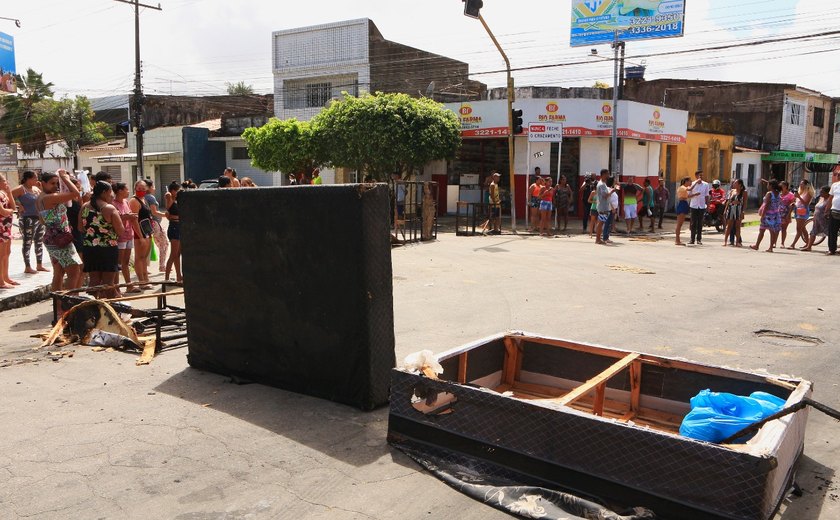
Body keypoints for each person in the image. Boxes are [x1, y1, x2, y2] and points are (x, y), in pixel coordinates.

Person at [36, 170, 83, 292]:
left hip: (51, 238)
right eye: (52, 183)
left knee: (59, 273)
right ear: (42, 183)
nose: (56, 186)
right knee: (74, 271)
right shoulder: (50, 198)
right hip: (61, 239)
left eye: (57, 183)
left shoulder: (40, 198)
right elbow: (75, 193)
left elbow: (42, 221)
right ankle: (68, 304)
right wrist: (65, 178)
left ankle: (58, 306)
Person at [80, 181, 124, 298]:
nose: (112, 195)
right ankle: (111, 310)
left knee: (93, 281)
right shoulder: (109, 208)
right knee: (108, 283)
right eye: (110, 193)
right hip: (108, 249)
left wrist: (94, 232)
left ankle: (93, 309)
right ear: (104, 192)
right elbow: (120, 231)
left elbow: (80, 227)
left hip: (90, 248)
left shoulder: (84, 206)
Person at [11, 171, 49, 274]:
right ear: (28, 179)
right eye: (35, 178)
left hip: (39, 218)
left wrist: (41, 188)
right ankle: (27, 266)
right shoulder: (21, 189)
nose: (37, 180)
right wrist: (18, 204)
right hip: (27, 219)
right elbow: (9, 195)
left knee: (39, 242)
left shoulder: (36, 189)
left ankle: (39, 265)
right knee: (27, 242)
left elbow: (43, 198)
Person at [113, 182, 140, 294]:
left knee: (126, 262)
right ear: (120, 191)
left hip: (129, 234)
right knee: (117, 263)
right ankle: (116, 288)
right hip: (120, 237)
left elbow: (130, 216)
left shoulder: (125, 202)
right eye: (126, 189)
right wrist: (128, 217)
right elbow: (116, 218)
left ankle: (129, 285)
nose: (128, 191)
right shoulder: (113, 204)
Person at [128, 180, 153, 289]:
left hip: (147, 231)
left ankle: (145, 279)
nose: (142, 191)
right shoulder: (134, 201)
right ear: (135, 188)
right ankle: (141, 281)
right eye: (139, 188)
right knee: (139, 257)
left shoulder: (144, 200)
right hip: (140, 233)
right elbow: (134, 220)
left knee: (144, 257)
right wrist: (141, 236)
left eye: (144, 189)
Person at [143, 179, 169, 273]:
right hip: (154, 223)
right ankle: (162, 266)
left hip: (145, 224)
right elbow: (154, 212)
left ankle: (144, 268)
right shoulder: (150, 197)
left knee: (147, 246)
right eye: (153, 186)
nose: (154, 188)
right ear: (149, 187)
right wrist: (166, 215)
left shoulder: (141, 197)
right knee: (164, 244)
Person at [751, 179, 782, 252]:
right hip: (775, 214)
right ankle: (769, 247)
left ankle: (758, 245)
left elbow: (766, 205)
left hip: (768, 215)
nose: (767, 186)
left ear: (771, 186)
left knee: (762, 230)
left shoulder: (769, 194)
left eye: (768, 185)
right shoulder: (778, 193)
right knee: (772, 231)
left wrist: (762, 215)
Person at [0, 174, 17, 288]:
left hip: (6, 228)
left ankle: (6, 277)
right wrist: (10, 211)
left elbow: (14, 207)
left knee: (7, 253)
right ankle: (1, 281)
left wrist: (9, 192)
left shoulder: (4, 194)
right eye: (4, 181)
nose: (6, 183)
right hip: (1, 228)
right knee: (1, 255)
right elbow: (3, 211)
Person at [801, 186, 831, 252]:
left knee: (830, 233)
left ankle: (831, 249)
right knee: (813, 232)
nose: (820, 193)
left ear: (827, 193)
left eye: (822, 192)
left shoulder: (829, 200)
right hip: (817, 219)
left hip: (825, 220)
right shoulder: (821, 198)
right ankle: (809, 247)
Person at [787, 179, 815, 250]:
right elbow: (798, 202)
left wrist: (799, 197)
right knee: (802, 228)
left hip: (803, 211)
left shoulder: (808, 193)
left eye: (802, 184)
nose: (800, 185)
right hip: (798, 210)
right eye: (800, 184)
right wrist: (794, 202)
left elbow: (806, 203)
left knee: (799, 228)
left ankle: (793, 244)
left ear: (806, 185)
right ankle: (808, 244)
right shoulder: (801, 192)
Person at [164, 181, 182, 282]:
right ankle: (166, 278)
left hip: (179, 226)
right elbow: (167, 195)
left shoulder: (177, 200)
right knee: (173, 254)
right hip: (174, 226)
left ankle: (179, 276)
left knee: (178, 254)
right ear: (172, 191)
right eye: (176, 190)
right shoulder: (169, 199)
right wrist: (170, 193)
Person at [594, 169, 617, 245]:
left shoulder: (602, 184)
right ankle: (597, 239)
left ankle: (598, 238)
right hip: (602, 207)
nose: (608, 175)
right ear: (603, 174)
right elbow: (605, 195)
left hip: (603, 206)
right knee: (600, 223)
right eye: (607, 174)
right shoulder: (602, 185)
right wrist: (613, 191)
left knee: (601, 222)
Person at [687, 170, 710, 245]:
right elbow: (688, 195)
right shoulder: (692, 184)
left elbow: (706, 196)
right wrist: (695, 195)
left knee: (700, 223)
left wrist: (707, 205)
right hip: (694, 206)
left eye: (702, 175)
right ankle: (692, 239)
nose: (701, 177)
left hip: (702, 206)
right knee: (693, 223)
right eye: (700, 175)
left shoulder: (706, 185)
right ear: (696, 176)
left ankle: (699, 239)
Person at [722, 179, 746, 247]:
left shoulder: (744, 192)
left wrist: (743, 212)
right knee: (729, 226)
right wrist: (725, 210)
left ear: (740, 184)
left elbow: (745, 203)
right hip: (731, 209)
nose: (734, 184)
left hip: (738, 210)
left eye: (735, 183)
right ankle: (725, 241)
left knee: (737, 227)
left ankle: (738, 242)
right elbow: (728, 201)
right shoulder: (732, 191)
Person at [778, 181, 796, 247]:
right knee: (776, 228)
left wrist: (789, 214)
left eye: (781, 186)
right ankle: (774, 242)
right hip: (778, 213)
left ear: (785, 186)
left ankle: (782, 243)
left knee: (783, 229)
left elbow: (793, 205)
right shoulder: (779, 194)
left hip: (786, 213)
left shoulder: (791, 195)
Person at [602, 176, 619, 244]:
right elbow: (608, 200)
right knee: (607, 223)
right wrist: (612, 208)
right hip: (609, 209)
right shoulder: (608, 189)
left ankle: (607, 237)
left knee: (609, 224)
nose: (615, 182)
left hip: (613, 209)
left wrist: (616, 184)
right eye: (614, 181)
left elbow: (618, 187)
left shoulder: (612, 189)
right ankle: (605, 237)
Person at [674, 177, 691, 246]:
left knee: (680, 223)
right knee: (679, 224)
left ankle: (678, 240)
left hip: (684, 203)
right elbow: (690, 189)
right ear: (686, 181)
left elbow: (687, 196)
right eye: (690, 181)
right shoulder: (682, 187)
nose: (690, 183)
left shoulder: (683, 188)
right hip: (682, 204)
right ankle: (677, 240)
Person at [827, 175, 840, 256]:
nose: (838, 176)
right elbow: (830, 198)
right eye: (838, 175)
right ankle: (832, 249)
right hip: (834, 211)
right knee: (832, 231)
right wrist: (827, 210)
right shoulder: (834, 185)